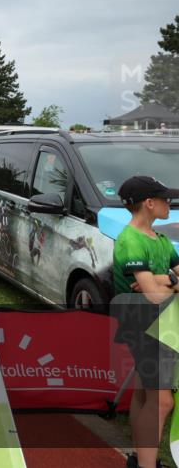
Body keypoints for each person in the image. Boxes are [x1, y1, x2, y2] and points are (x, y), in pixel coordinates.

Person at [112, 176, 179, 468]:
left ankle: (141, 459)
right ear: (149, 204)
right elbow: (151, 296)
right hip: (142, 323)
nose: (170, 203)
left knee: (144, 393)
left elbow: (157, 286)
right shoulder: (130, 240)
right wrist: (166, 284)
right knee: (163, 401)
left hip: (163, 324)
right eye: (165, 199)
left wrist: (165, 279)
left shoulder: (160, 239)